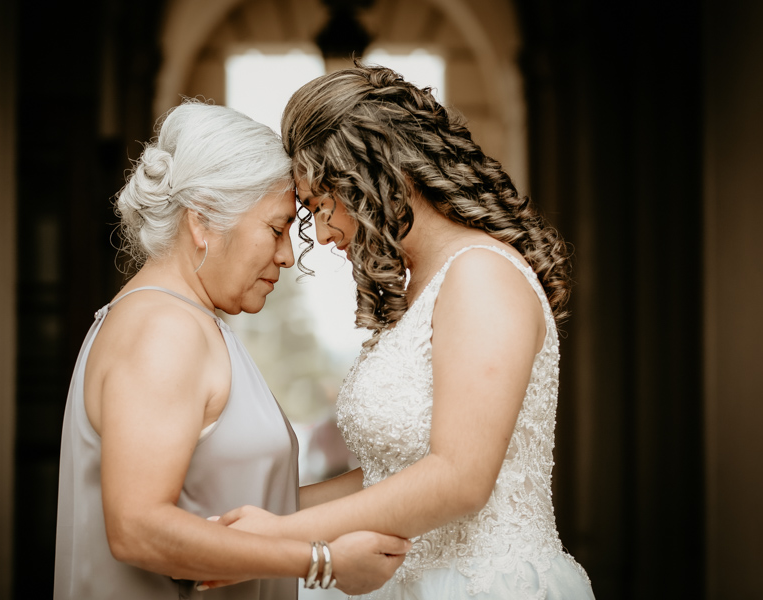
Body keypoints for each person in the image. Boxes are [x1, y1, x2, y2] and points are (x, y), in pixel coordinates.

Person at [214, 65, 596, 599]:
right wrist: (262, 515)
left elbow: (459, 478)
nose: (323, 234)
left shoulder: (481, 275)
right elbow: (391, 474)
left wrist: (280, 538)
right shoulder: (424, 287)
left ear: (373, 177)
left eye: (324, 206)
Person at [53, 100, 410, 600]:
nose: (287, 256)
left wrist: (404, 477)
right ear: (202, 222)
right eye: (276, 228)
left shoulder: (189, 321)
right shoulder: (164, 331)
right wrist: (321, 562)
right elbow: (136, 528)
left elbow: (251, 509)